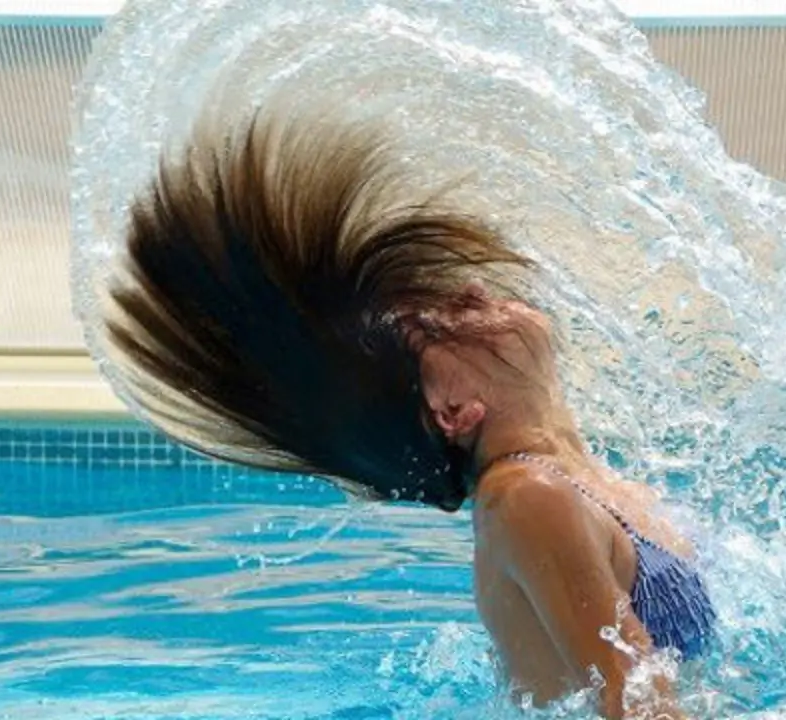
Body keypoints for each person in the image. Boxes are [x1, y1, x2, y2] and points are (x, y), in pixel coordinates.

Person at [101, 107, 716, 719]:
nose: (472, 295)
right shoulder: (527, 497)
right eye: (437, 326)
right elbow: (637, 706)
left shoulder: (577, 487)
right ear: (452, 410)